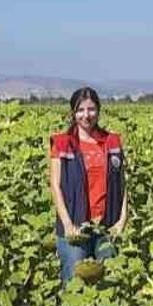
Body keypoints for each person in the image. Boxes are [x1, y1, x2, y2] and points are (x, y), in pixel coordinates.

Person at [48, 86, 128, 283]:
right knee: (75, 283)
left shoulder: (112, 142)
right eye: (81, 110)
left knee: (111, 280)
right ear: (73, 113)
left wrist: (122, 220)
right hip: (75, 225)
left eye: (91, 109)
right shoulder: (63, 143)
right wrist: (67, 224)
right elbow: (55, 185)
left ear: (98, 110)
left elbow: (122, 183)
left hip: (107, 225)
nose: (86, 115)